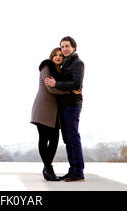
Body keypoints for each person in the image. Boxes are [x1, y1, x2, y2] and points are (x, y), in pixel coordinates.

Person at [31, 47, 78, 181]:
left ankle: (47, 168)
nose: (58, 57)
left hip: (54, 111)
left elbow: (58, 84)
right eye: (55, 55)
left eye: (60, 56)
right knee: (44, 138)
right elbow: (50, 88)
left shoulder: (60, 71)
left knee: (54, 140)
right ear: (51, 56)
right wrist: (69, 91)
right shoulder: (46, 66)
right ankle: (49, 169)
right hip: (43, 107)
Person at [45, 36, 85, 182]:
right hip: (64, 105)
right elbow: (72, 84)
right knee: (68, 139)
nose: (64, 49)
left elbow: (76, 84)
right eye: (62, 47)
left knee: (73, 137)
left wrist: (56, 84)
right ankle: (72, 170)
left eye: (67, 46)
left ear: (74, 47)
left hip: (73, 105)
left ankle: (78, 171)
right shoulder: (66, 64)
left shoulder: (78, 63)